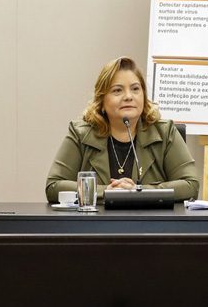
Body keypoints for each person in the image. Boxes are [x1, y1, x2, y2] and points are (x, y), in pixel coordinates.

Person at [46, 56, 199, 203]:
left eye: (135, 89)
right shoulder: (81, 134)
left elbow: (190, 185)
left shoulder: (164, 133)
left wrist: (138, 192)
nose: (128, 96)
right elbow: (54, 186)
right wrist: (105, 192)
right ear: (101, 100)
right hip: (97, 221)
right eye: (117, 90)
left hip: (148, 221)